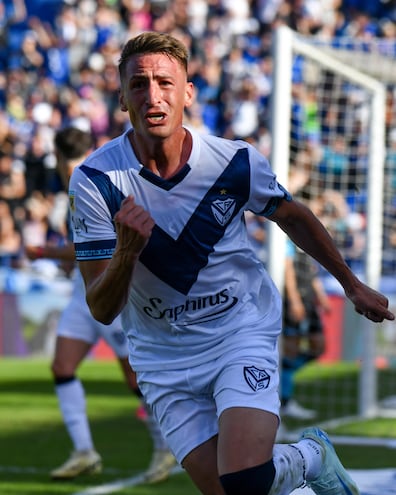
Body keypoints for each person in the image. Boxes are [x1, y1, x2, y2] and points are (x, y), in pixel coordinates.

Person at [69, 32, 395, 495]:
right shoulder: (95, 181)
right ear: (121, 97)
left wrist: (351, 282)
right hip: (161, 357)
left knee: (244, 481)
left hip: (237, 331)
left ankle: (310, 455)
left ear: (188, 92)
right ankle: (306, 465)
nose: (153, 95)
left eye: (165, 81)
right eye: (139, 84)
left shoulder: (233, 162)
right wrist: (126, 252)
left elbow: (293, 215)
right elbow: (101, 308)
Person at [25, 126, 175, 482]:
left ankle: (165, 448)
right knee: (62, 366)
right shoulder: (77, 183)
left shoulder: (95, 182)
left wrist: (46, 251)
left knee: (134, 379)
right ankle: (84, 451)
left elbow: (103, 250)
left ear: (59, 156)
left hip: (113, 293)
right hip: (82, 293)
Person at [280, 238, 331, 420]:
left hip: (308, 300)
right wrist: (294, 300)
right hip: (292, 300)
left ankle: (285, 373)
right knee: (290, 351)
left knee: (319, 346)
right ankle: (285, 401)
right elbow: (287, 270)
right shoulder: (285, 240)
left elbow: (312, 273)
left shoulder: (305, 240)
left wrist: (322, 298)